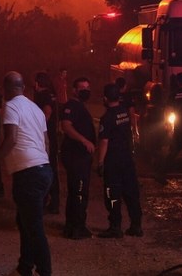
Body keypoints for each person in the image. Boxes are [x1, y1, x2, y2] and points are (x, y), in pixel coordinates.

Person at [0, 71, 52, 276]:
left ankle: (45, 271)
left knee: (34, 226)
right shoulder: (36, 109)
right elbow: (46, 142)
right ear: (23, 88)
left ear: (5, 90)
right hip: (43, 169)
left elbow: (10, 139)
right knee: (25, 220)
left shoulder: (10, 106)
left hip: (28, 173)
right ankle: (25, 266)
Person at [97, 79, 143, 238]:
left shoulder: (107, 118)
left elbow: (104, 141)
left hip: (113, 161)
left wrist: (100, 161)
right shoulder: (124, 111)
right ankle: (136, 226)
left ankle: (115, 227)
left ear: (105, 98)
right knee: (131, 192)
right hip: (127, 158)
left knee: (112, 193)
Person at [59, 76, 96, 239]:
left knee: (77, 191)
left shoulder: (80, 106)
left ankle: (72, 225)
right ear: (74, 90)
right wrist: (84, 140)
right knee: (79, 191)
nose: (86, 90)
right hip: (76, 156)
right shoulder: (72, 106)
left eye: (88, 87)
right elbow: (66, 126)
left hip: (81, 156)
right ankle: (77, 228)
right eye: (82, 88)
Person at [33, 71, 60, 214]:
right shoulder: (51, 94)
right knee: (52, 168)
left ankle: (45, 200)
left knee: (44, 168)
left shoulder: (43, 96)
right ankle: (54, 201)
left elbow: (47, 113)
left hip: (45, 137)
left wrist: (37, 128)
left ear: (38, 83)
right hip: (52, 136)